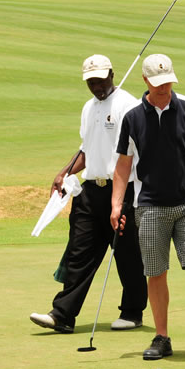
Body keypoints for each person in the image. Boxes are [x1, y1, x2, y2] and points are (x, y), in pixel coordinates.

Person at [110, 53, 185, 360]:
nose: (164, 88)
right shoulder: (132, 117)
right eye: (158, 84)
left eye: (168, 82)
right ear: (145, 81)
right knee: (156, 272)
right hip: (149, 206)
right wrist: (116, 204)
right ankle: (161, 337)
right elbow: (122, 165)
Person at [30, 55, 147, 334]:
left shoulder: (128, 106)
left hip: (124, 190)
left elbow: (135, 153)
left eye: (100, 79)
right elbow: (87, 148)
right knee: (79, 253)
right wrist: (65, 172)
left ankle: (132, 312)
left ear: (112, 75)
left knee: (128, 256)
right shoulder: (88, 107)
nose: (96, 86)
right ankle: (63, 315)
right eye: (91, 81)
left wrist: (123, 197)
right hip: (90, 191)